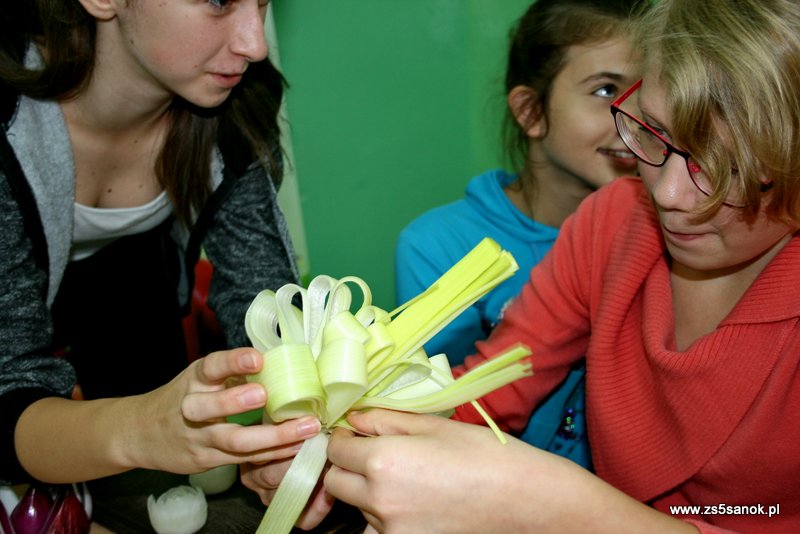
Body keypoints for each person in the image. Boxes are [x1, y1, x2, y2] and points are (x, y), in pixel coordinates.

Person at [319, 0, 800, 532]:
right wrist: (331, 443)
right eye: (655, 132)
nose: (668, 194)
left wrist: (560, 507)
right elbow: (486, 391)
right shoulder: (611, 224)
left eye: (729, 164)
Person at [0, 0, 321, 511]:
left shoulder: (240, 100)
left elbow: (265, 303)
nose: (255, 45)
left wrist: (305, 412)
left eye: (262, 3)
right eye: (218, 1)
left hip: (139, 285)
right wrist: (141, 428)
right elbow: (8, 401)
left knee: (150, 490)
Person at [394, 0, 641, 469]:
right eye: (607, 90)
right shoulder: (438, 245)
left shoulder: (670, 233)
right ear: (530, 112)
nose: (635, 117)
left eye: (648, 92)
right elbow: (443, 418)